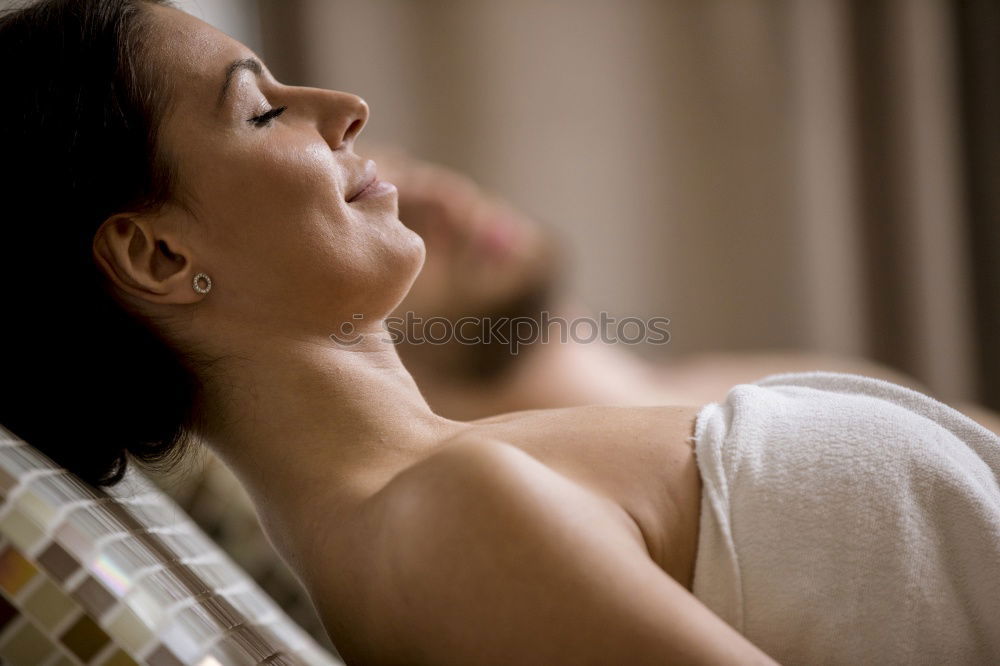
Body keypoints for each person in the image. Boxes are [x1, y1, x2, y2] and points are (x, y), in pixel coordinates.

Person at [1, 2, 997, 665]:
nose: (346, 109)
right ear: (158, 259)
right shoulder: (439, 524)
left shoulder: (443, 496)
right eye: (262, 111)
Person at [376, 148, 1000, 432]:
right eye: (379, 211)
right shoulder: (542, 515)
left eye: (409, 167)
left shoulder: (722, 388)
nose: (442, 195)